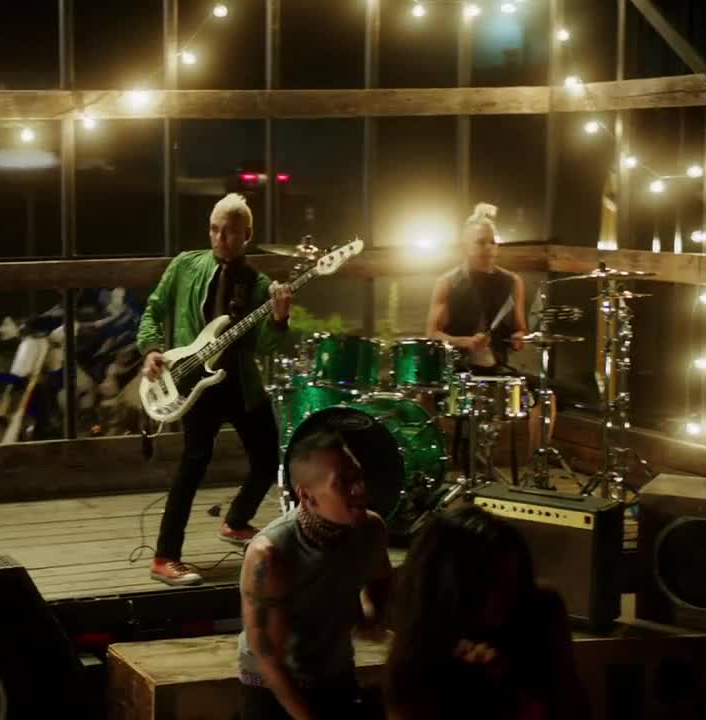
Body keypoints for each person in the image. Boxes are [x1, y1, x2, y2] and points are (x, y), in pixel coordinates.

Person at [138, 193, 293, 586]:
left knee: (267, 459)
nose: (220, 238)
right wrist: (152, 349)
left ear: (247, 235)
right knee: (193, 464)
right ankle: (164, 557)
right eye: (214, 229)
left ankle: (236, 521)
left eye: (230, 231)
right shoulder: (185, 265)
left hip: (240, 383)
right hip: (195, 381)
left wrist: (279, 319)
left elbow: (265, 347)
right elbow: (153, 310)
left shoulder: (259, 284)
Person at [236, 429, 393, 720]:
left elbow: (380, 577)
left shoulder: (371, 529)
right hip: (274, 688)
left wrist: (371, 615)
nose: (360, 489)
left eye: (358, 477)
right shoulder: (270, 554)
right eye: (343, 483)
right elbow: (268, 659)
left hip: (335, 671)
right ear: (306, 496)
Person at [383, 503, 588, 720]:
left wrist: (508, 685)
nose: (508, 595)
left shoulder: (540, 610)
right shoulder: (419, 658)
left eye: (516, 579)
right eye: (491, 581)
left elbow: (572, 707)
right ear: (450, 584)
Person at [426, 202, 554, 459]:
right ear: (465, 246)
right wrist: (465, 341)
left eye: (493, 242)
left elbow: (520, 330)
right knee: (424, 395)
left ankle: (537, 465)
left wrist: (519, 338)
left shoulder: (512, 282)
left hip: (498, 368)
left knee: (546, 395)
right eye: (481, 242)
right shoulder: (448, 283)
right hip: (459, 371)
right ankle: (436, 461)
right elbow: (432, 333)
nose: (488, 248)